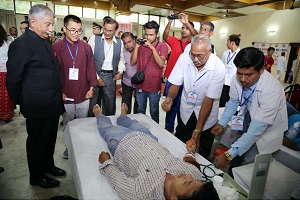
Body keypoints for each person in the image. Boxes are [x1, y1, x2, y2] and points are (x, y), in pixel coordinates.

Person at [94, 103, 219, 200]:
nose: (188, 175)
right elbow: (191, 164)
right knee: (129, 122)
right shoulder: (196, 178)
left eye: (186, 183)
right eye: (194, 179)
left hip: (122, 143)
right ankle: (123, 116)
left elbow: (117, 179)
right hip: (147, 138)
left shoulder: (141, 193)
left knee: (106, 128)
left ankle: (99, 116)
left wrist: (106, 161)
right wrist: (190, 152)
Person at [6, 4, 66, 188]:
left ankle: (48, 165)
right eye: (47, 24)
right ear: (33, 22)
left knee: (49, 139)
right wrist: (23, 102)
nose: (51, 28)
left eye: (52, 24)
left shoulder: (43, 40)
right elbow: (13, 80)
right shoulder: (21, 45)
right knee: (37, 142)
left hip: (51, 102)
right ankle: (36, 176)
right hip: (36, 105)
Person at [211, 47, 287, 177]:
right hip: (247, 118)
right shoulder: (237, 78)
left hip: (265, 129)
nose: (243, 79)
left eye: (249, 75)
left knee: (248, 167)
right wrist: (222, 122)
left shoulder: (271, 89)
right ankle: (231, 178)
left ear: (261, 70)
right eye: (240, 73)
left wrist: (228, 155)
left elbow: (256, 130)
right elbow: (234, 101)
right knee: (237, 156)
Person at [161, 34, 225, 160]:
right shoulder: (185, 58)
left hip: (207, 112)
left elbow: (208, 100)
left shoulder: (218, 67)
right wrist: (170, 99)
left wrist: (197, 131)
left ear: (209, 52)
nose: (195, 59)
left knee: (204, 149)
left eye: (200, 56)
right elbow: (175, 83)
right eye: (193, 54)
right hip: (187, 109)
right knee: (181, 143)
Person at [52, 15, 98, 159]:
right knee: (68, 122)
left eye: (79, 31)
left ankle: (80, 145)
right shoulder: (56, 47)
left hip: (83, 93)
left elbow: (91, 69)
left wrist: (91, 89)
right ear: (64, 29)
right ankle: (68, 146)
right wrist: (59, 92)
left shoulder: (86, 47)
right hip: (65, 94)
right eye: (72, 30)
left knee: (83, 121)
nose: (76, 34)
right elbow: (53, 73)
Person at [163, 12, 195, 132]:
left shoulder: (193, 44)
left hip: (186, 81)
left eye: (187, 28)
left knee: (182, 106)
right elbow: (165, 35)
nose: (184, 30)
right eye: (183, 28)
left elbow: (197, 36)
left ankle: (180, 129)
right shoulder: (175, 41)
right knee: (170, 104)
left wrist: (187, 22)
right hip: (172, 79)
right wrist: (170, 20)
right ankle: (168, 127)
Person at [131, 20, 168, 123]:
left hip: (154, 86)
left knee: (154, 111)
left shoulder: (162, 46)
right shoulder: (140, 45)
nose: (147, 37)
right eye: (146, 34)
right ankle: (141, 131)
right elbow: (132, 62)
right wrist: (137, 47)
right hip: (140, 85)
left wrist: (152, 48)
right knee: (140, 111)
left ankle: (155, 132)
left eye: (151, 35)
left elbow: (161, 63)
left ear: (156, 34)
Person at [88, 17, 125, 116]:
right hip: (95, 74)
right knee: (93, 102)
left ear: (115, 30)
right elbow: (89, 60)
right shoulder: (94, 39)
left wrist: (120, 72)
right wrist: (96, 77)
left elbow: (122, 58)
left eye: (110, 31)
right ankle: (91, 125)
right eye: (105, 29)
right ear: (103, 27)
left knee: (109, 103)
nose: (107, 33)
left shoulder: (119, 42)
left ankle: (108, 124)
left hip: (110, 76)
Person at [219, 34, 241, 107]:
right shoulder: (225, 53)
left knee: (232, 103)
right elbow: (222, 66)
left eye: (227, 41)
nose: (226, 43)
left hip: (234, 83)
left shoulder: (240, 54)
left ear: (232, 43)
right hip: (224, 82)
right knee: (221, 102)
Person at [120, 32, 138, 114]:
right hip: (126, 82)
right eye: (125, 43)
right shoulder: (122, 50)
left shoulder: (141, 49)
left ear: (134, 40)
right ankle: (125, 121)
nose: (128, 45)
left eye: (129, 42)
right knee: (125, 104)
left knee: (138, 105)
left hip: (139, 83)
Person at [0, 24, 14, 122]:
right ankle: (7, 115)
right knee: (6, 94)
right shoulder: (8, 43)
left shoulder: (8, 43)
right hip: (6, 72)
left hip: (4, 71)